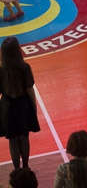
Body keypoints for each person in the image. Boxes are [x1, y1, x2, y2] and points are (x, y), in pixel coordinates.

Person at [0, 36, 40, 169]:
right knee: (24, 137)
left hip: (7, 106)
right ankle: (26, 167)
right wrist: (34, 108)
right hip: (23, 105)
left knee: (12, 140)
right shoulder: (25, 67)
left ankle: (16, 169)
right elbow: (30, 90)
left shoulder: (1, 70)